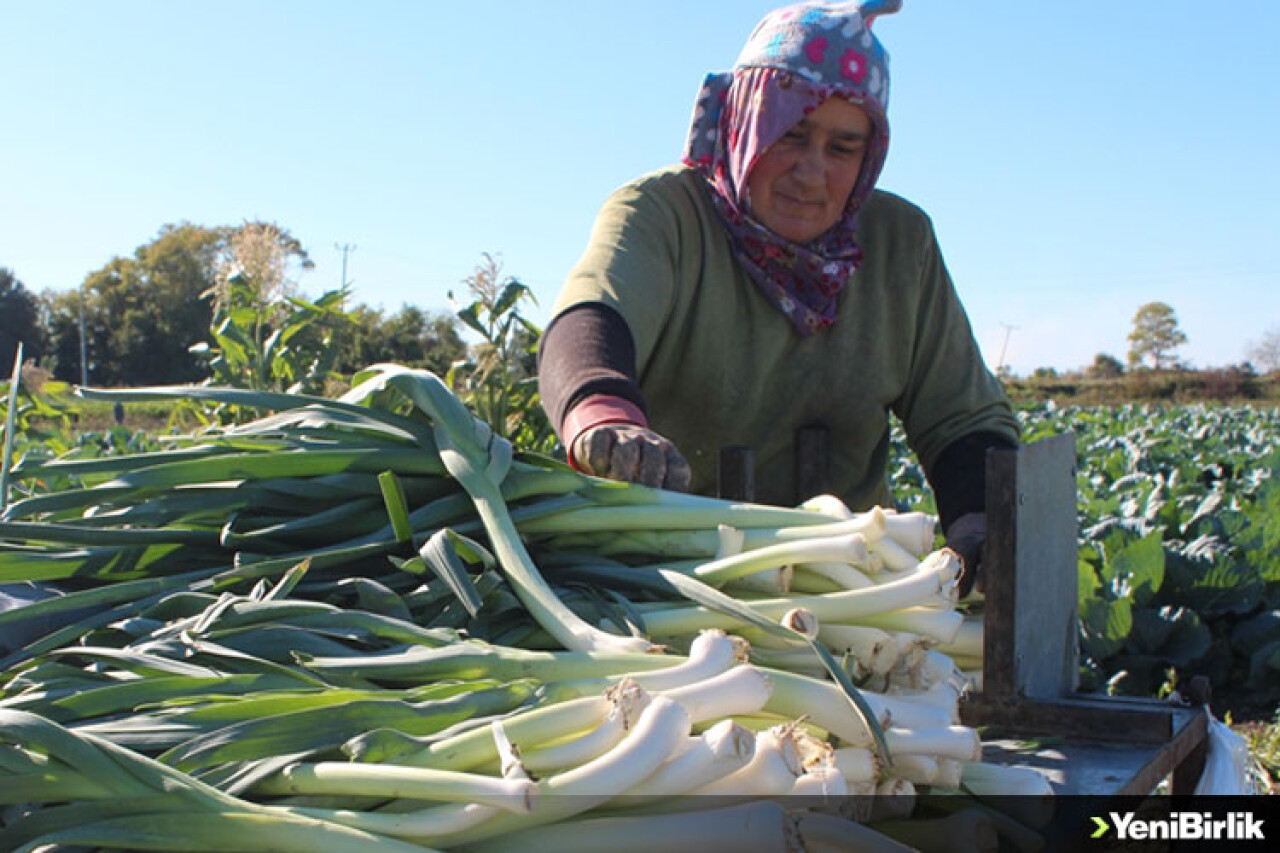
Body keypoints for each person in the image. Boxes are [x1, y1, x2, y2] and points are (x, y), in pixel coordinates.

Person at [537, 0, 1019, 593]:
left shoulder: (901, 244)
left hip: (851, 598)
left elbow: (962, 417)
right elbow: (593, 315)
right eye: (790, 135)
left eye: (843, 147)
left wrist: (978, 522)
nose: (812, 172)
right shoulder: (663, 214)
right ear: (741, 121)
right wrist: (601, 415)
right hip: (663, 588)